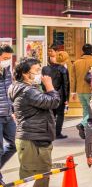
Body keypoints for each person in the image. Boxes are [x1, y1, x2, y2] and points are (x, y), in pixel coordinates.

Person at [9, 57, 62, 187]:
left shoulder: (21, 87)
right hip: (34, 142)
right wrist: (50, 86)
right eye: (37, 70)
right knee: (37, 179)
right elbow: (54, 102)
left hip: (32, 139)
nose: (41, 74)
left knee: (30, 179)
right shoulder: (28, 91)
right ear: (25, 73)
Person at [42, 47, 69, 139]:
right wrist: (66, 98)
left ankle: (49, 132)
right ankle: (57, 133)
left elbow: (42, 83)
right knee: (60, 114)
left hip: (47, 94)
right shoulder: (63, 69)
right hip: (59, 94)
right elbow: (65, 85)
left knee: (50, 114)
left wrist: (45, 92)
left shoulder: (45, 69)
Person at [0, 45, 16, 187]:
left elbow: (9, 90)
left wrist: (13, 109)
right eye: (5, 58)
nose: (7, 61)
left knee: (14, 145)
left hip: (8, 114)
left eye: (9, 59)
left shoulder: (6, 69)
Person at [70, 44, 92, 115]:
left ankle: (85, 125)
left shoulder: (76, 63)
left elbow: (73, 78)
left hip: (80, 91)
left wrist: (73, 92)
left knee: (85, 108)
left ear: (83, 51)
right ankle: (84, 124)